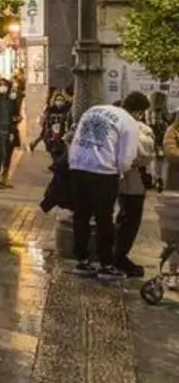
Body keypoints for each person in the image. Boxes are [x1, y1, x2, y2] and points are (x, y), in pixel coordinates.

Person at [66, 92, 149, 281]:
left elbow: (77, 135)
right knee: (104, 217)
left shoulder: (95, 110)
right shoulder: (129, 122)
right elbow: (126, 157)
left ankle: (82, 260)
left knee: (82, 214)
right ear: (138, 112)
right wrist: (119, 172)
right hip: (103, 171)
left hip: (78, 166)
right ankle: (106, 264)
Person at [115, 106, 156, 278]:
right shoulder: (139, 129)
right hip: (132, 185)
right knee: (130, 220)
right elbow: (145, 153)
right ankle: (118, 256)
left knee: (124, 218)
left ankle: (117, 254)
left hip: (122, 181)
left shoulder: (117, 126)